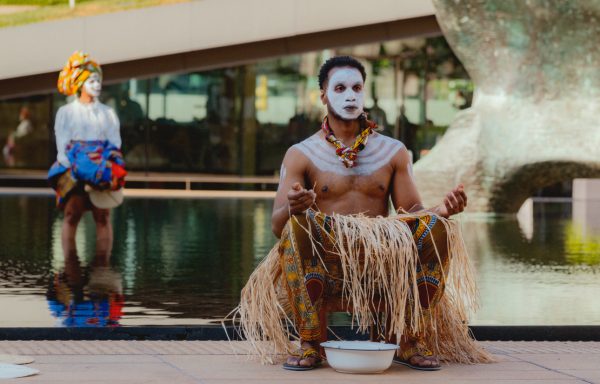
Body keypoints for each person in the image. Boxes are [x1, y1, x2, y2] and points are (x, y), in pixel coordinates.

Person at [233, 56, 491, 371]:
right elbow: (277, 226)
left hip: (381, 260)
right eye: (340, 87)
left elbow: (412, 213)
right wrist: (294, 206)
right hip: (326, 261)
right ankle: (310, 343)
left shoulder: (392, 151)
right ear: (324, 95)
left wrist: (442, 211)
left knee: (437, 228)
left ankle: (410, 340)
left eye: (357, 87)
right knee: (297, 225)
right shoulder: (302, 154)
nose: (350, 95)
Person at [47, 51, 127, 270]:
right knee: (72, 212)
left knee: (103, 215)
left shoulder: (107, 113)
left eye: (98, 80)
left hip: (100, 168)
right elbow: (62, 145)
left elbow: (115, 142)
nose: (97, 85)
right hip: (73, 168)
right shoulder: (65, 112)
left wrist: (100, 167)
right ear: (80, 84)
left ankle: (103, 265)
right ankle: (68, 267)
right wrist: (78, 168)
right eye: (92, 81)